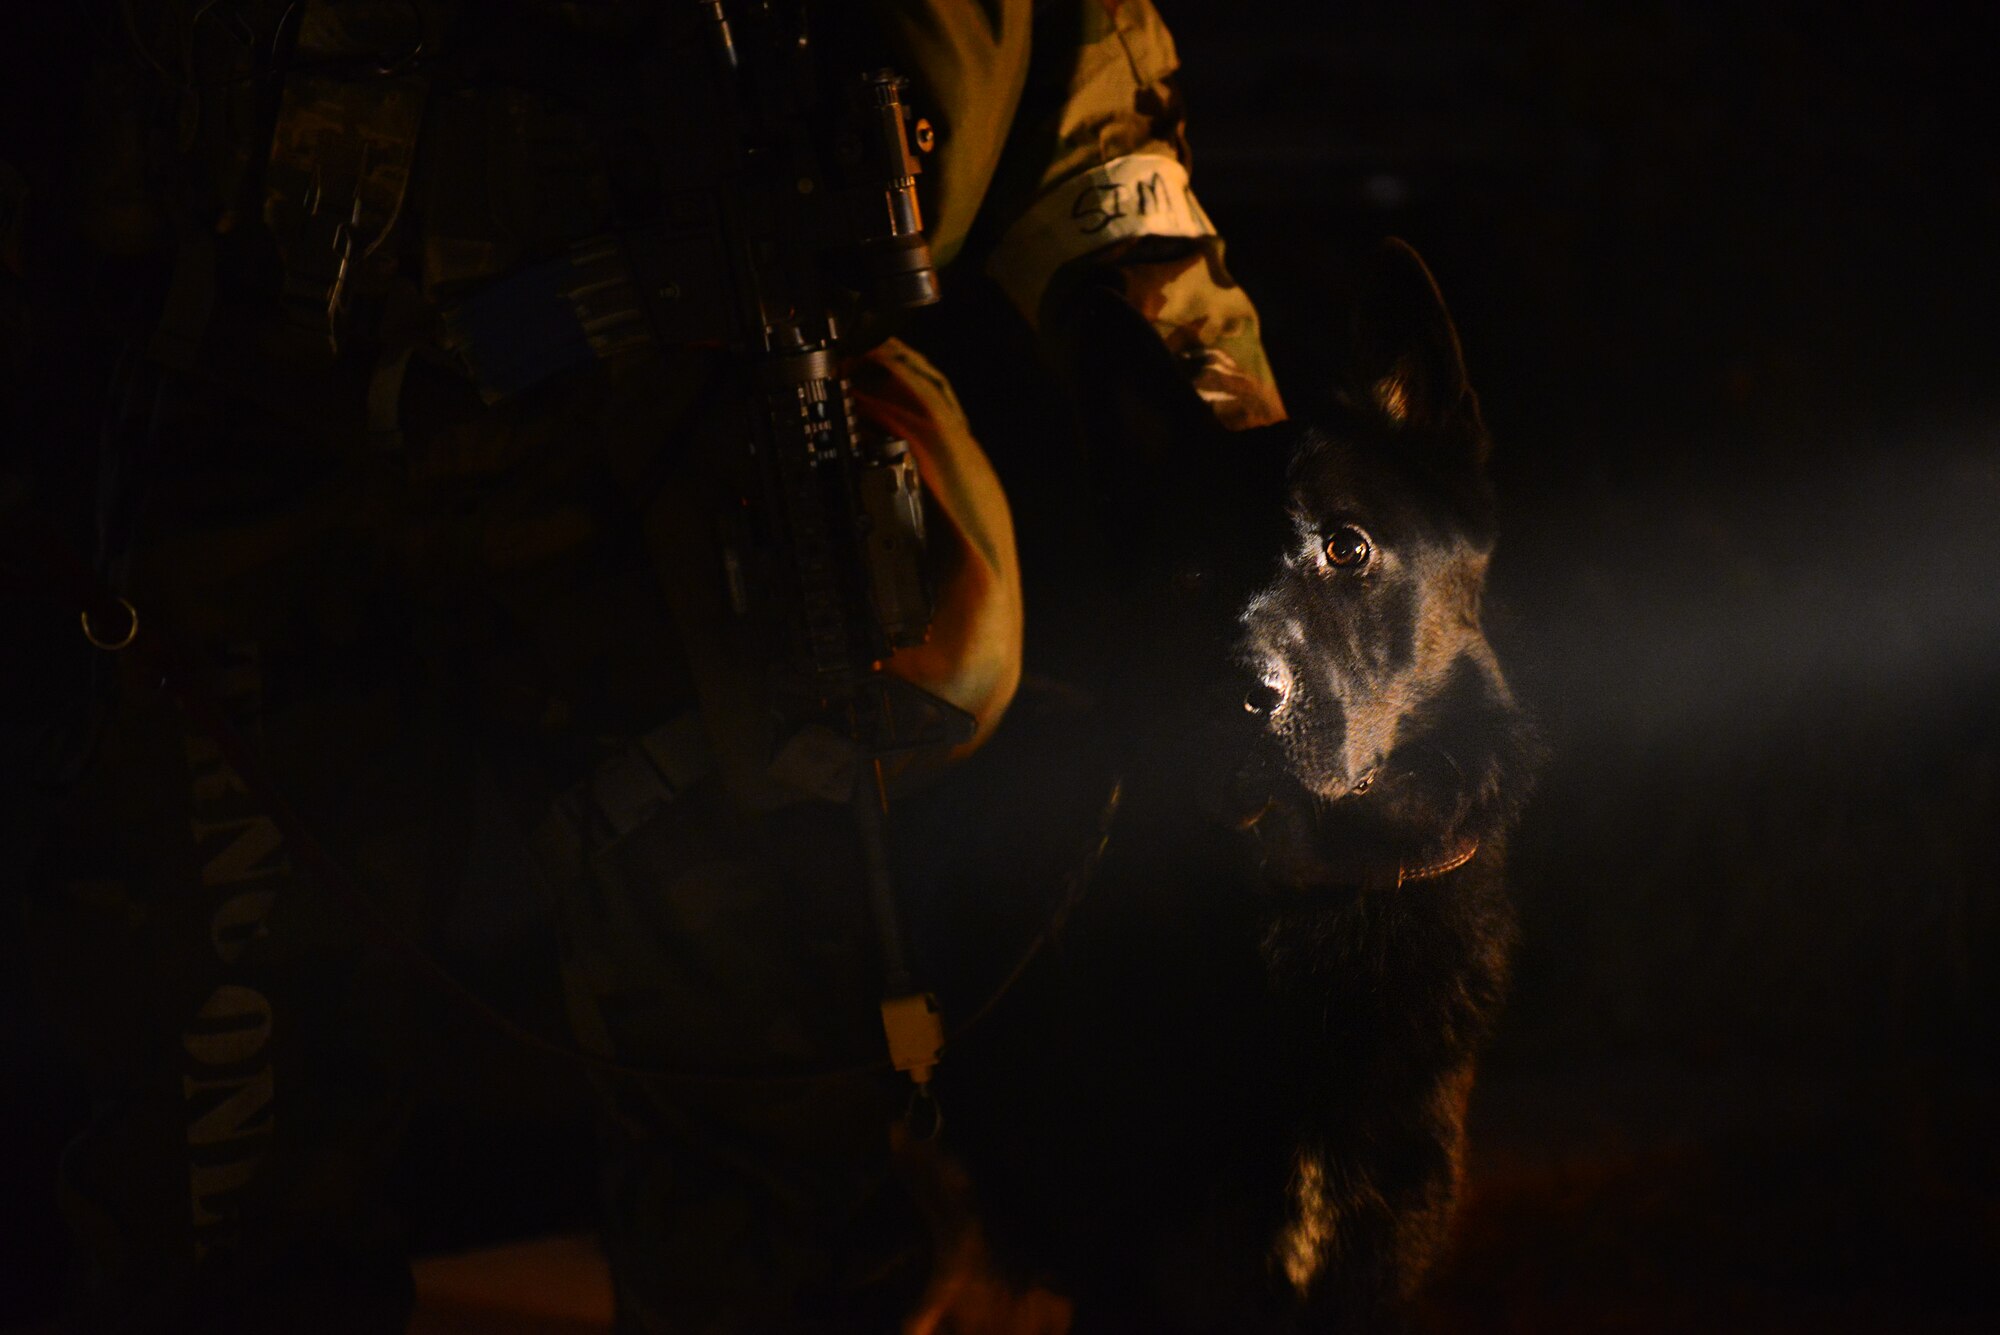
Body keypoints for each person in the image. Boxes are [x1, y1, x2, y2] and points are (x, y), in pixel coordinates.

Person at [3, 2, 1285, 1329]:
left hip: (690, 527)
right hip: (257, 495)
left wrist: (1248, 474)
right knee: (220, 1144)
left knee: (774, 1160)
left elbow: (1094, 150)